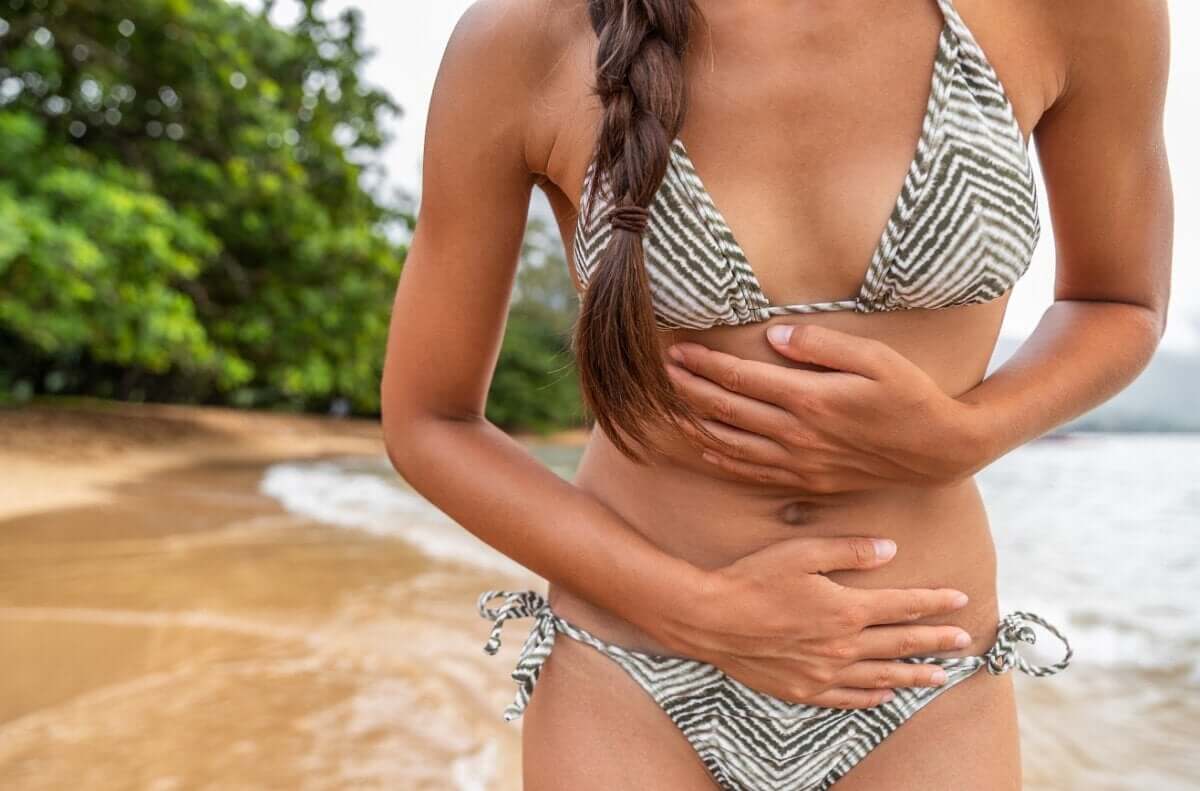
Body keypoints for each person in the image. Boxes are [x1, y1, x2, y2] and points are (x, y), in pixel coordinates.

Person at [381, 0, 1173, 787]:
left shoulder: (1077, 11)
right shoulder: (526, 37)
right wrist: (698, 609)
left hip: (920, 674)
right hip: (631, 668)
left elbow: (1120, 302)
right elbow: (430, 420)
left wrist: (971, 434)